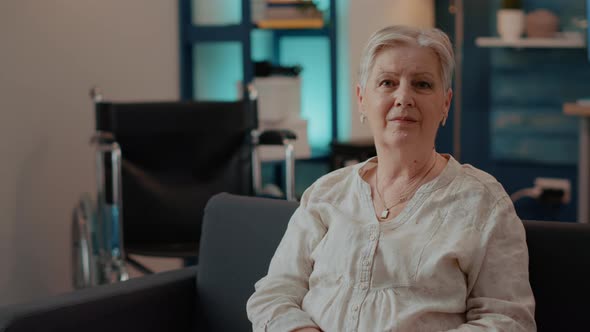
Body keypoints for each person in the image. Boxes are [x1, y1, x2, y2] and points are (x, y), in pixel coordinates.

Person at [247, 25, 536, 332]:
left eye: (422, 84)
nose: (403, 97)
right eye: (387, 82)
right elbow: (274, 294)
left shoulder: (483, 202)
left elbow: (507, 321)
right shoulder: (325, 193)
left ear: (445, 104)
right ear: (362, 99)